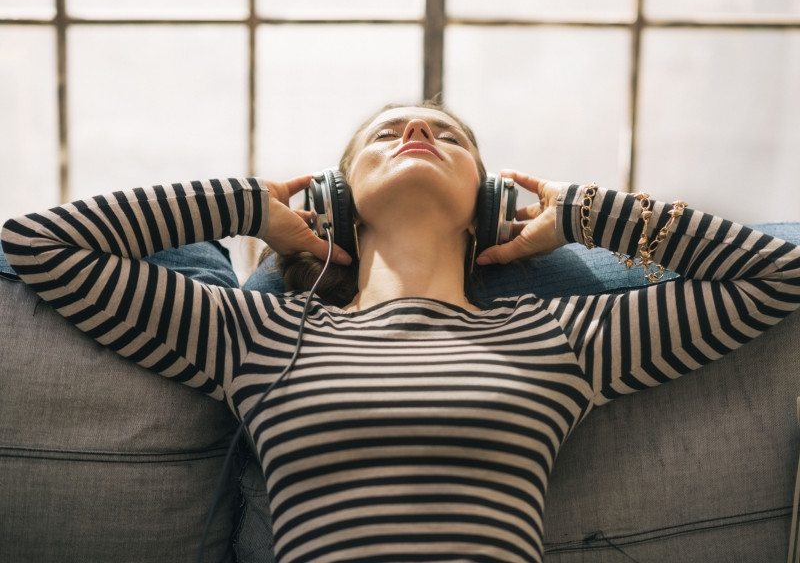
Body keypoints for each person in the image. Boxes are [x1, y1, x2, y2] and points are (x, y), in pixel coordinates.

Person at [2, 100, 799, 563]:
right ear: (335, 197)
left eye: (448, 136)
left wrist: (591, 216)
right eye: (386, 133)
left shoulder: (562, 336)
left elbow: (779, 276)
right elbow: (36, 246)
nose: (417, 129)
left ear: (490, 203)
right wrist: (246, 207)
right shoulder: (256, 333)